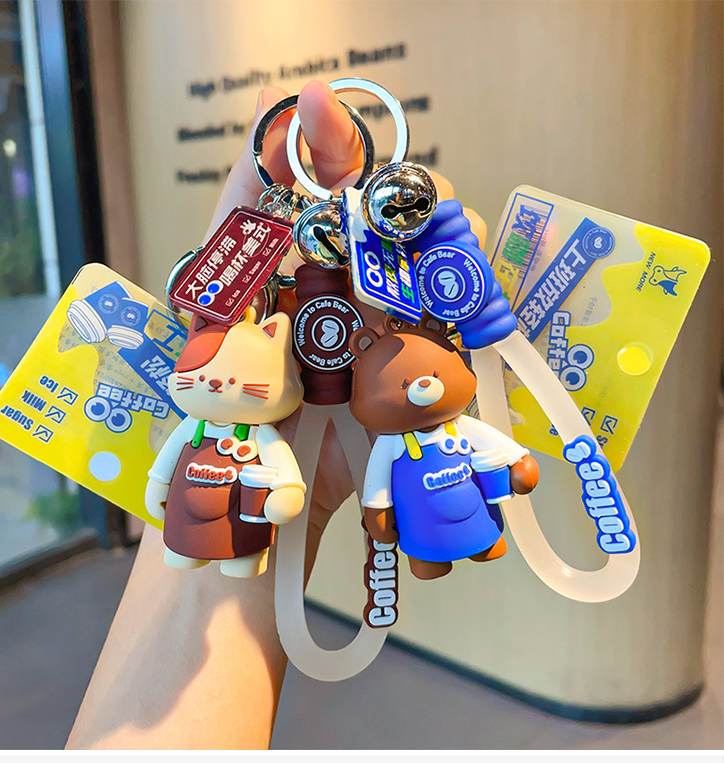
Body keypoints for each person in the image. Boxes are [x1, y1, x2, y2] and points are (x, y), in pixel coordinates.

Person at [66, 80, 487, 750]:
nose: (219, 379)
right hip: (212, 520)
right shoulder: (232, 371)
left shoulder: (358, 368)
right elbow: (173, 463)